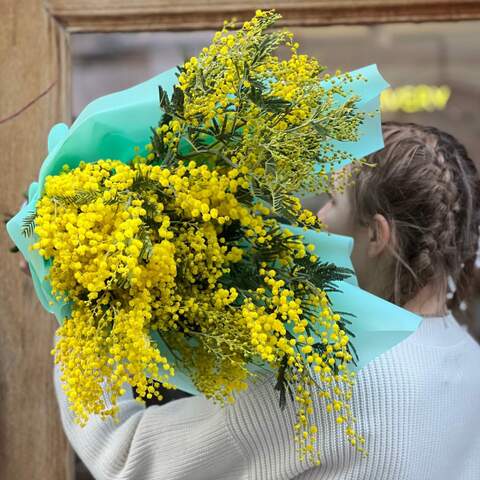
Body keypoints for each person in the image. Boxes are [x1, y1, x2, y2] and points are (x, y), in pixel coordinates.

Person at [46, 121, 480, 479]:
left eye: (333, 200)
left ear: (376, 235)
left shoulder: (330, 378)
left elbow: (127, 458)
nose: (318, 217)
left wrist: (83, 291)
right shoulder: (469, 361)